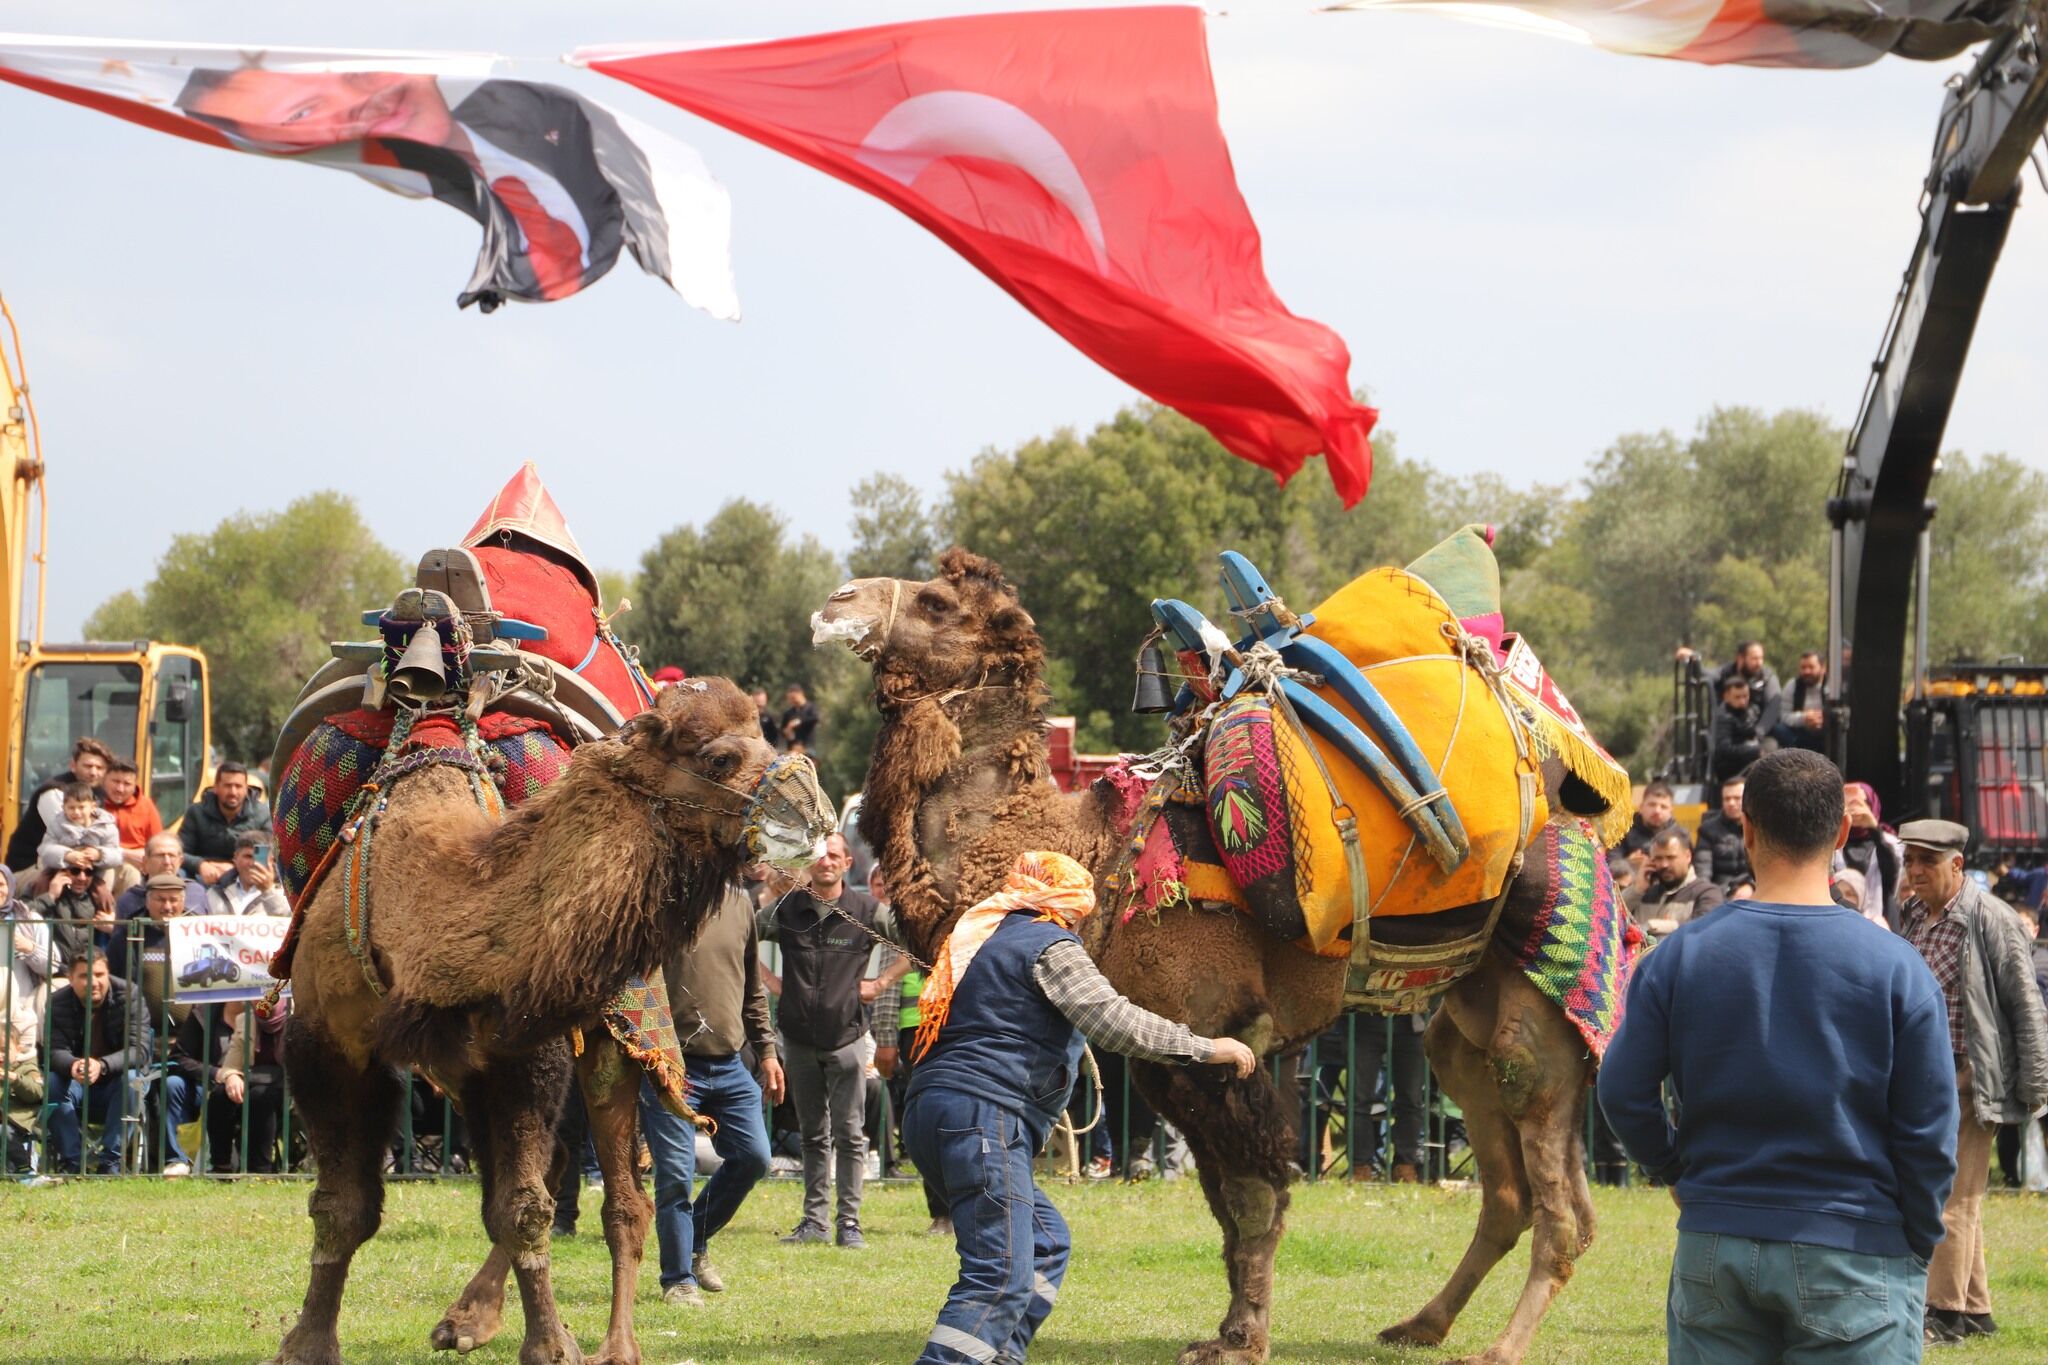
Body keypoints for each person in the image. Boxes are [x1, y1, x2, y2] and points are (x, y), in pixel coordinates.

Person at [1598, 750, 1958, 1363]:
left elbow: (1621, 1091)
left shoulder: (1679, 958)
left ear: (1748, 830)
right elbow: (1929, 1132)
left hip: (1717, 1243)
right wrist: (1918, 1235)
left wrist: (1675, 1171)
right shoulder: (1898, 966)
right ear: (1842, 833)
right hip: (1856, 1244)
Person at [904, 851, 1255, 1365]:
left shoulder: (978, 938)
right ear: (1068, 903)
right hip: (983, 1114)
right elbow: (1114, 1020)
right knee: (999, 1277)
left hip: (932, 1113)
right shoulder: (1050, 943)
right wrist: (1204, 1048)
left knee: (1045, 1244)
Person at [1896, 818, 2048, 1345]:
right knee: (1961, 1195)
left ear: (1957, 865)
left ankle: (1943, 1316)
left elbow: (2027, 1008)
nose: (1914, 872)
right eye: (1909, 860)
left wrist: (2036, 1085)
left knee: (1949, 1198)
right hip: (1924, 1074)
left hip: (1971, 1076)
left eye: (1926, 862)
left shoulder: (1993, 918)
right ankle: (1976, 1312)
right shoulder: (1912, 911)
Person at [638, 881, 785, 1307]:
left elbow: (752, 985)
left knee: (755, 1158)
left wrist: (768, 1052)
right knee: (675, 1178)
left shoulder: (740, 902)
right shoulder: (662, 897)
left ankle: (695, 1240)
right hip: (671, 1065)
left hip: (729, 1062)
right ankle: (678, 1279)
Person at [758, 833, 901, 1247]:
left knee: (850, 1134)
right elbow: (741, 939)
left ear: (848, 862)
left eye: (834, 856)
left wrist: (881, 983)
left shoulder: (867, 911)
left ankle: (849, 1224)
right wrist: (769, 982)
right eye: (820, 856)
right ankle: (814, 1222)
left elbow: (911, 944)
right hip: (798, 1038)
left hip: (848, 1037)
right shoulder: (789, 909)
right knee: (812, 1134)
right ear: (811, 862)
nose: (826, 862)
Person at [44, 948, 153, 1174]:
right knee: (53, 1083)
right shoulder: (57, 1001)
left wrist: (101, 1065)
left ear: (108, 974)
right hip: (77, 1081)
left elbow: (139, 1050)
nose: (94, 982)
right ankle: (72, 1163)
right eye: (84, 976)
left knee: (133, 1080)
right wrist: (73, 1065)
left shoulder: (130, 994)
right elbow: (54, 1051)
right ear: (70, 978)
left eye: (100, 975)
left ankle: (110, 1163)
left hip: (118, 1081)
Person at [4, 737, 113, 875]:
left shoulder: (99, 793)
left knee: (126, 872)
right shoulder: (54, 793)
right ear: (73, 765)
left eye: (99, 768)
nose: (93, 772)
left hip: (77, 862)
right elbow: (70, 839)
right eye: (88, 766)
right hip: (33, 868)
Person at [214, 999, 289, 1173]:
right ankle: (221, 1166)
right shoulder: (245, 1019)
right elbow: (231, 1065)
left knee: (260, 1097)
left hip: (288, 1084)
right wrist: (232, 1076)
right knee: (220, 1094)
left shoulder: (296, 1018)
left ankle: (259, 1170)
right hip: (254, 1078)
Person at [178, 763, 271, 885]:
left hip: (247, 874)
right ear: (216, 787)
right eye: (227, 786)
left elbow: (267, 853)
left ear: (246, 789)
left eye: (238, 786)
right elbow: (180, 852)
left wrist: (236, 867)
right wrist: (200, 865)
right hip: (203, 876)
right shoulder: (196, 813)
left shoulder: (262, 814)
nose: (233, 792)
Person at [37, 781, 124, 905]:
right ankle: (40, 912)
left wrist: (99, 854)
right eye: (71, 808)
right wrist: (66, 855)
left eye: (81, 807)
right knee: (42, 882)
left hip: (94, 871)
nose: (76, 812)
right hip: (64, 869)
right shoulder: (57, 825)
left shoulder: (106, 827)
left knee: (102, 893)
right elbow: (45, 849)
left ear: (93, 807)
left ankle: (104, 917)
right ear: (63, 808)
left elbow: (117, 855)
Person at [1632, 826, 1724, 937]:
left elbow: (1704, 928)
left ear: (1688, 856)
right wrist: (1636, 890)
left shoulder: (1707, 892)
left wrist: (1653, 926)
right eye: (1658, 858)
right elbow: (1613, 919)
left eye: (1671, 857)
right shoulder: (1643, 893)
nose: (1664, 864)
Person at [1837, 782, 1903, 930]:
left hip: (1882, 925)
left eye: (1864, 802)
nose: (1857, 809)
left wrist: (1873, 828)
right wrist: (1840, 824)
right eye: (1849, 802)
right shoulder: (1832, 844)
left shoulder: (1890, 842)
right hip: (1841, 924)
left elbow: (1893, 875)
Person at [33, 863, 105, 971]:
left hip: (86, 974)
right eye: (75, 871)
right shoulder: (43, 890)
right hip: (53, 973)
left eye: (88, 872)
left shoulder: (99, 900)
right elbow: (23, 916)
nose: (82, 878)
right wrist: (50, 896)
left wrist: (112, 928)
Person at [101, 759, 162, 884]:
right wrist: (124, 854)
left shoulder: (146, 805)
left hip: (140, 867)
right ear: (105, 780)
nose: (120, 789)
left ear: (135, 785)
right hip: (102, 864)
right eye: (115, 781)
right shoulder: (93, 804)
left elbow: (158, 843)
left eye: (127, 784)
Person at [204, 832, 289, 916]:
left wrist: (268, 891)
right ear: (235, 857)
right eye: (248, 856)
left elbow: (288, 921)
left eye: (259, 858)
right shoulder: (215, 892)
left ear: (271, 861)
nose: (253, 863)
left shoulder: (286, 893)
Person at [1692, 775, 1751, 893]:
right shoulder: (1707, 830)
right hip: (1719, 894)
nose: (1731, 803)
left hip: (1756, 892)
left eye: (1737, 798)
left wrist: (1751, 885)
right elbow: (1702, 872)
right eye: (1727, 799)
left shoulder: (1762, 828)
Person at [1708, 675, 1764, 784]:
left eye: (1745, 696)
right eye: (1737, 697)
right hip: (1731, 767)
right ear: (1726, 696)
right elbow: (1724, 749)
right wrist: (1754, 751)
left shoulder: (1747, 711)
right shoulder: (1724, 717)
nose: (1743, 701)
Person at [1774, 651, 1827, 751]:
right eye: (1803, 667)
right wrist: (1804, 718)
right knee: (1779, 729)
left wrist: (1822, 719)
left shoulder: (1832, 686)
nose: (1806, 671)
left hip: (1827, 734)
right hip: (1801, 733)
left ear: (1823, 668)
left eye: (1811, 667)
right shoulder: (1792, 685)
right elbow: (1784, 716)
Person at [1621, 782, 1677, 862]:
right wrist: (1628, 864)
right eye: (1652, 805)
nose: (1657, 811)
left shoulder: (1680, 835)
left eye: (1663, 807)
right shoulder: (1622, 833)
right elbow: (1609, 865)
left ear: (1671, 812)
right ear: (1641, 807)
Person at [779, 683, 820, 755]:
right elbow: (782, 729)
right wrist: (787, 731)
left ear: (801, 694)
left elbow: (815, 718)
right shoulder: (788, 713)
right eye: (790, 699)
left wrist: (799, 722)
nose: (792, 701)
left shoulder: (811, 707)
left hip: (808, 747)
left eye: (794, 698)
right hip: (792, 748)